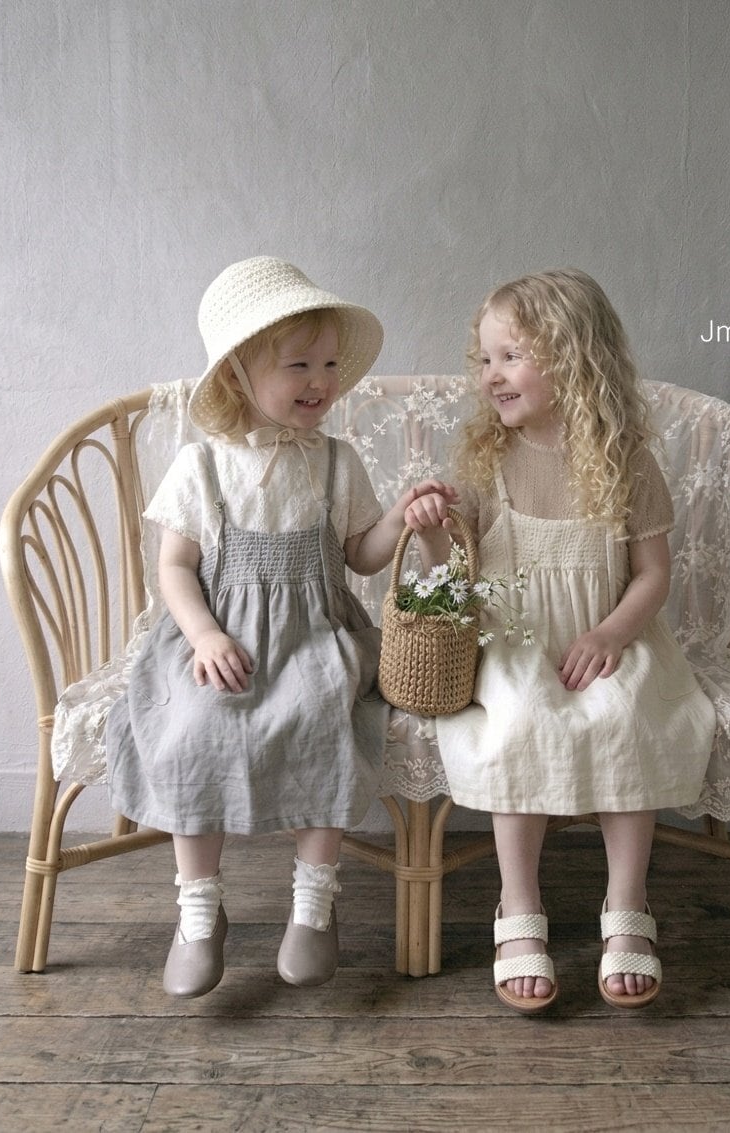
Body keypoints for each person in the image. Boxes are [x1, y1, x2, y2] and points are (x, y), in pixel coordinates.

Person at [106, 256, 455, 998]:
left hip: (314, 635)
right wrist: (204, 635)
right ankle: (199, 908)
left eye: (328, 365)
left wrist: (402, 516)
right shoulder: (203, 465)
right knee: (192, 729)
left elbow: (359, 555)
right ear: (238, 373)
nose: (320, 381)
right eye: (299, 365)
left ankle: (313, 900)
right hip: (221, 641)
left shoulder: (335, 462)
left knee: (324, 717)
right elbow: (174, 568)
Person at [405, 268, 716, 1013]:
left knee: (628, 718)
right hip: (514, 641)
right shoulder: (488, 461)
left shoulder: (625, 461)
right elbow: (457, 572)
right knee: (519, 721)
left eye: (511, 356)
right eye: (485, 359)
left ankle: (627, 903)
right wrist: (430, 534)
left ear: (575, 358)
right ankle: (518, 905)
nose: (491, 374)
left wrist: (612, 631)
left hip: (605, 637)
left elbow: (652, 574)